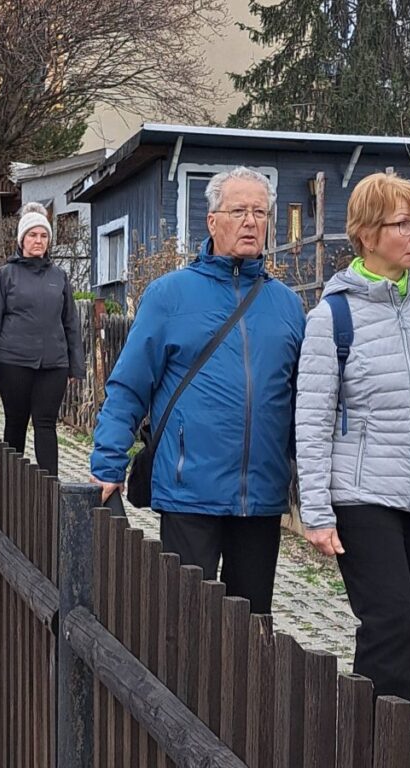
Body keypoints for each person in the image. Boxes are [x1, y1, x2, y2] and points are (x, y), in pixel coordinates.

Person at [295, 171, 410, 719]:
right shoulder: (333, 318)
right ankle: (381, 737)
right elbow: (311, 421)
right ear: (367, 233)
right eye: (404, 223)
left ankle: (391, 718)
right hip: (364, 495)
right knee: (391, 623)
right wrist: (317, 511)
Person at [90, 167, 305, 615]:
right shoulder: (170, 295)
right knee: (188, 621)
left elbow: (305, 403)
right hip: (190, 489)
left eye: (260, 212)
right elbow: (130, 386)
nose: (251, 222)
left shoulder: (287, 305)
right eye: (239, 211)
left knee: (249, 621)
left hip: (260, 495)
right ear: (212, 221)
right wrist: (108, 462)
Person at [0, 202, 85, 477]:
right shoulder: (6, 275)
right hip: (13, 362)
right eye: (33, 235)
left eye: (43, 236)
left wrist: (76, 364)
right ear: (22, 239)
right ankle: (10, 484)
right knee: (16, 422)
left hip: (53, 364)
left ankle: (50, 487)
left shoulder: (59, 276)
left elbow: (71, 321)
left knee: (46, 423)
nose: (38, 241)